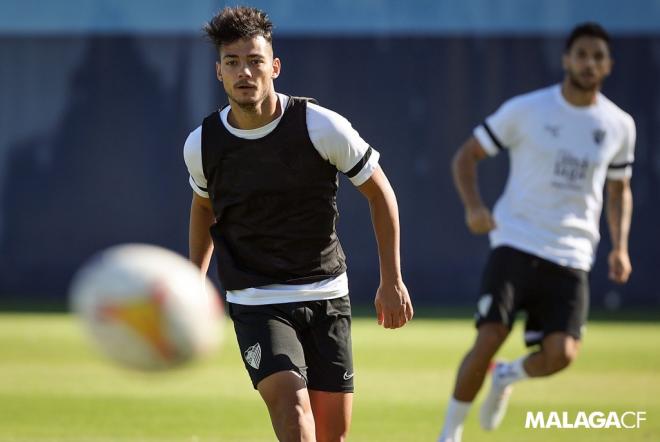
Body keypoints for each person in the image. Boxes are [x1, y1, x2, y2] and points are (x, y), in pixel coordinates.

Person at [184, 6, 413, 442]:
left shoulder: (320, 126)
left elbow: (380, 192)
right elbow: (203, 207)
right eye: (232, 62)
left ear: (275, 66)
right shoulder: (203, 143)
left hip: (327, 293)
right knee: (292, 409)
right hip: (255, 297)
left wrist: (392, 280)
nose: (244, 72)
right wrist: (193, 284)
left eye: (254, 61)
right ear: (218, 72)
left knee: (333, 436)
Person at [438, 22, 635, 442]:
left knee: (561, 355)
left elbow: (619, 189)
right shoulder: (526, 109)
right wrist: (474, 207)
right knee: (490, 335)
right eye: (581, 54)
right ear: (566, 59)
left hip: (573, 253)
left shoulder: (620, 125)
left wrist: (620, 247)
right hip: (516, 241)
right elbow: (465, 157)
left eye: (598, 56)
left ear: (609, 65)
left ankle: (507, 376)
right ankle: (450, 433)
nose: (589, 62)